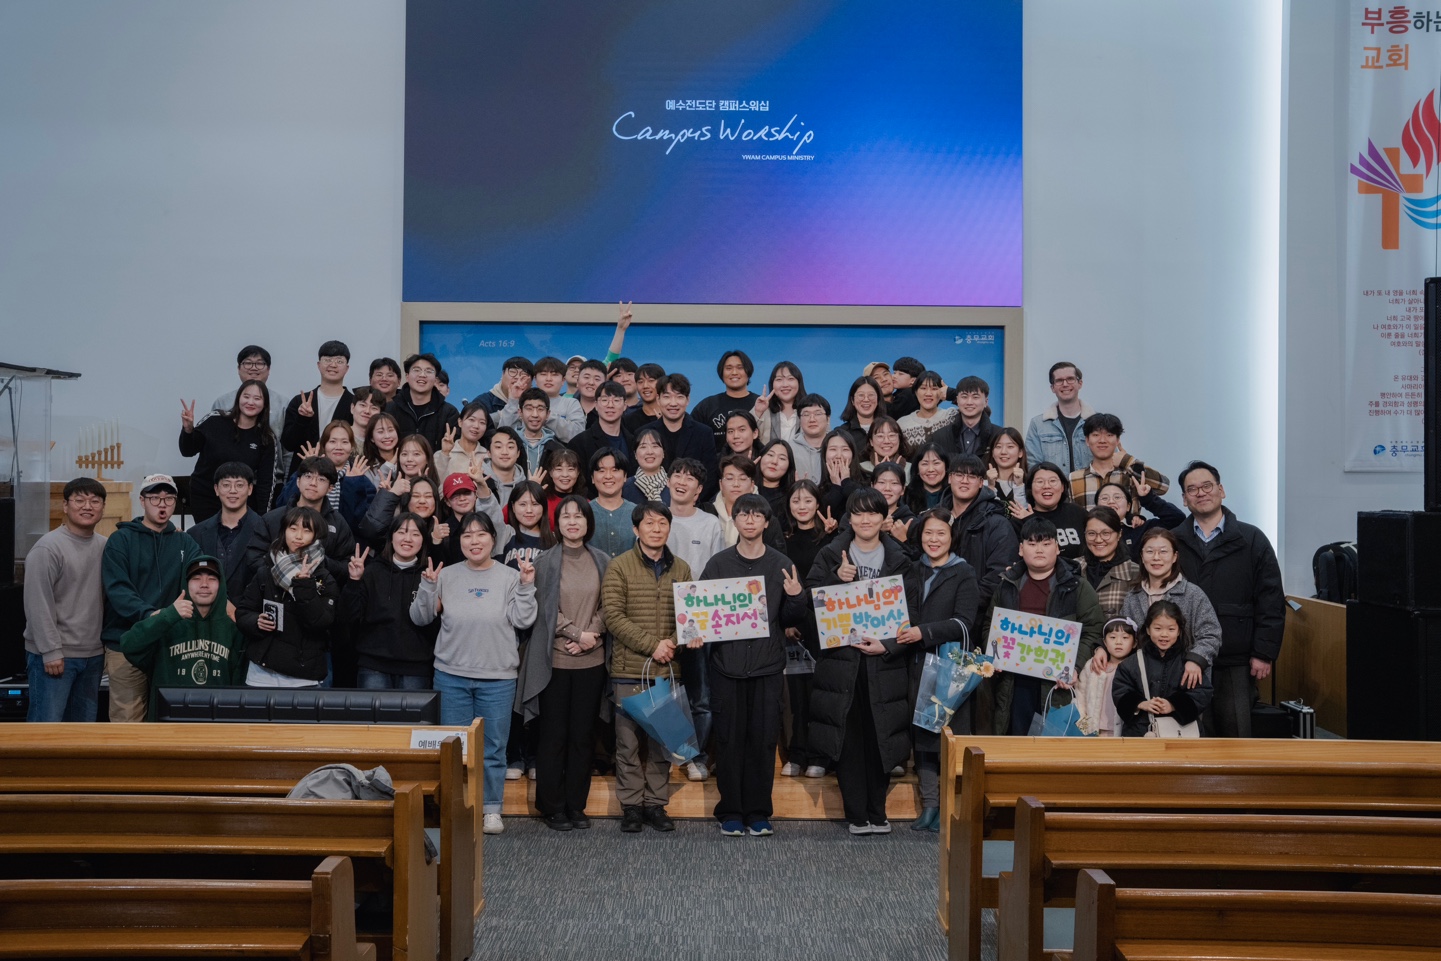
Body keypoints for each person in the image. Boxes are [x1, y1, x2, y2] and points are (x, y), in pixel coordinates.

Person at [411, 511, 537, 835]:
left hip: (498, 678)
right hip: (451, 676)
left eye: (481, 534)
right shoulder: (447, 575)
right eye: (467, 535)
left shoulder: (510, 576)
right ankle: (456, 808)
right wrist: (427, 586)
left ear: (493, 540)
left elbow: (523, 620)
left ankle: (491, 808)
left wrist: (526, 586)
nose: (474, 541)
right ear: (460, 542)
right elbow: (421, 617)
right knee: (453, 749)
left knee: (493, 748)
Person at [805, 487, 916, 835]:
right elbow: (808, 604)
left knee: (881, 735)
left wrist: (888, 646)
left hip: (883, 662)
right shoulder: (830, 553)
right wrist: (833, 580)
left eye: (873, 513)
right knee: (849, 738)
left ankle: (877, 811)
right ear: (849, 518)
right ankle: (856, 813)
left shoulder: (900, 558)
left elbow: (912, 612)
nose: (865, 519)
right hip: (842, 662)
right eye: (858, 513)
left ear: (884, 518)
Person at [699, 494, 804, 837]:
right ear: (735, 520)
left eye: (756, 515)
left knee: (762, 741)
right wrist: (695, 631)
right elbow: (701, 612)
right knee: (729, 740)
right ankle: (730, 811)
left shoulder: (781, 563)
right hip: (726, 666)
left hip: (766, 667)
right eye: (743, 514)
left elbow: (791, 619)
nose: (749, 520)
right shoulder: (718, 563)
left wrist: (796, 595)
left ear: (766, 522)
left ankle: (759, 812)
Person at [516, 495, 611, 831]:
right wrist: (575, 633)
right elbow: (543, 608)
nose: (572, 522)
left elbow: (610, 605)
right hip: (554, 662)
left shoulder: (603, 560)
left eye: (579, 516)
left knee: (583, 736)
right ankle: (552, 805)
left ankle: (576, 805)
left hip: (592, 661)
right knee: (553, 735)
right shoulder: (544, 561)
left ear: (588, 522)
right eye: (566, 516)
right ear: (557, 523)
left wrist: (591, 634)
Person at [1171, 460, 1286, 738]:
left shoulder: (1252, 538)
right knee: (1189, 732)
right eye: (1192, 489)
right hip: (1184, 655)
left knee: (1235, 733)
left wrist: (1264, 653)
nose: (1201, 493)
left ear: (1221, 490)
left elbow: (1270, 599)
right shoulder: (1173, 541)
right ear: (1184, 499)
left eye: (1207, 486)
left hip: (1235, 656)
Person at [602, 502, 693, 833]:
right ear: (636, 529)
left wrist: (673, 643)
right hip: (629, 669)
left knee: (661, 744)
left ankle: (655, 805)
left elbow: (690, 617)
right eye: (649, 523)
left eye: (662, 523)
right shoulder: (619, 566)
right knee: (627, 745)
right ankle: (631, 807)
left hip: (667, 671)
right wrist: (652, 645)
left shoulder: (681, 568)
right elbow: (613, 616)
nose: (656, 529)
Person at [980, 516, 1104, 736]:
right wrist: (995, 656)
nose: (1039, 550)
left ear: (1057, 548)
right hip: (1014, 682)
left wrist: (1074, 667)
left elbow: (1093, 628)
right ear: (1021, 549)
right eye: (1032, 543)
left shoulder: (1076, 586)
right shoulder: (1007, 585)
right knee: (1016, 741)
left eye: (1046, 544)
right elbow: (990, 624)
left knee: (1052, 746)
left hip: (1057, 684)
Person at [900, 508, 979, 831]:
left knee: (947, 739)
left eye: (941, 533)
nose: (934, 539)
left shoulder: (964, 572)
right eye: (928, 533)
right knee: (922, 738)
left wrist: (924, 632)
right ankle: (929, 805)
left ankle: (947, 807)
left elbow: (964, 622)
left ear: (952, 537)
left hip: (948, 667)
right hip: (915, 664)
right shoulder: (911, 569)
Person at [101, 474, 202, 722]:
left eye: (168, 498)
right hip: (126, 643)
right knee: (128, 720)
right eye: (155, 498)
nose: (162, 504)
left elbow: (201, 580)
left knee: (172, 718)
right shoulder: (121, 540)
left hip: (170, 644)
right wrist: (150, 614)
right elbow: (118, 590)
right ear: (142, 501)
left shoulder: (185, 541)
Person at [23, 477, 108, 722]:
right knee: (46, 729)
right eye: (79, 500)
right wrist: (51, 651)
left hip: (93, 656)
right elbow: (38, 603)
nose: (87, 506)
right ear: (65, 505)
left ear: (103, 507)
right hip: (55, 656)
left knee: (81, 732)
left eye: (95, 501)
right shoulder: (47, 548)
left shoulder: (105, 546)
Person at [118, 555, 244, 717]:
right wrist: (168, 616)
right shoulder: (167, 621)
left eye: (212, 579)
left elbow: (239, 685)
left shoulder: (232, 627)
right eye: (196, 578)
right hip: (168, 721)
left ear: (221, 585)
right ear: (185, 584)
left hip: (216, 721)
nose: (204, 584)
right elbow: (129, 646)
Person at [666, 458, 724, 782]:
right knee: (665, 691)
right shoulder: (656, 517)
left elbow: (716, 574)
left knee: (700, 695)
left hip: (698, 619)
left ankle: (695, 757)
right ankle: (666, 753)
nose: (682, 481)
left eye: (689, 478)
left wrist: (701, 621)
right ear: (668, 481)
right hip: (660, 615)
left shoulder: (710, 523)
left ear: (699, 489)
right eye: (677, 475)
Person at [236, 506, 338, 688]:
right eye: (293, 528)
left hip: (303, 676)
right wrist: (256, 621)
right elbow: (243, 612)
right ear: (284, 531)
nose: (298, 536)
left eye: (307, 530)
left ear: (316, 536)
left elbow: (320, 623)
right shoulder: (266, 570)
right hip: (261, 672)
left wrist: (304, 585)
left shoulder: (324, 578)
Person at [342, 512, 438, 689]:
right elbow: (350, 617)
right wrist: (354, 581)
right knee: (372, 708)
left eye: (415, 534)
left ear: (423, 540)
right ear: (391, 537)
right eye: (401, 532)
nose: (407, 539)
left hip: (416, 667)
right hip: (373, 665)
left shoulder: (430, 576)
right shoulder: (372, 571)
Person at [779, 479, 836, 779]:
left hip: (826, 627)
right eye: (796, 501)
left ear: (818, 504)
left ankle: (820, 756)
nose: (802, 506)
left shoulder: (831, 539)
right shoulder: (781, 539)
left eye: (808, 501)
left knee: (822, 695)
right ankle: (797, 754)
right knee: (796, 698)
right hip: (793, 626)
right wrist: (788, 622)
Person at [1117, 528, 1222, 687]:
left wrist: (1196, 659)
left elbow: (1211, 634)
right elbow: (1123, 634)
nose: (1156, 557)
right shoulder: (1132, 597)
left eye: (1163, 551)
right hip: (1143, 684)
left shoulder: (1192, 594)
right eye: (1150, 551)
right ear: (1142, 556)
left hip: (1184, 683)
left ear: (1174, 557)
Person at [246, 457, 356, 585]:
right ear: (298, 481)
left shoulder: (338, 523)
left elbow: (347, 565)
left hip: (320, 591)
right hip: (274, 590)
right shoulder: (273, 518)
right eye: (308, 476)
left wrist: (321, 563)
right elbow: (254, 557)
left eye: (321, 479)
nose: (313, 483)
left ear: (330, 488)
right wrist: (285, 572)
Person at [1112, 600, 1213, 737]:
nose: (1164, 634)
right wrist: (1141, 704)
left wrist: (1173, 704)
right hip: (1140, 732)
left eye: (1171, 629)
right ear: (1148, 629)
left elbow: (1203, 693)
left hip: (1180, 734)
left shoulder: (1189, 665)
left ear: (1179, 631)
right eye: (1158, 628)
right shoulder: (1131, 663)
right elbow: (1120, 691)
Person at [180, 380, 276, 521]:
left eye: (257, 398)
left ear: (265, 404)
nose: (250, 402)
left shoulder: (266, 438)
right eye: (246, 396)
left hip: (240, 502)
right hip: (205, 497)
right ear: (238, 398)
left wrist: (263, 519)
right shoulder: (214, 420)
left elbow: (266, 483)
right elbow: (187, 451)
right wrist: (188, 429)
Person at [944, 455, 1019, 612]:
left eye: (972, 476)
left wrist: (963, 604)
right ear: (950, 478)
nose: (965, 481)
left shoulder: (997, 524)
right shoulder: (934, 519)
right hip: (936, 612)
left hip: (978, 613)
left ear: (980, 483)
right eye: (959, 474)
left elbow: (998, 574)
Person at [278, 420, 375, 534]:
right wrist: (306, 469)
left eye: (344, 442)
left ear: (352, 446)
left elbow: (361, 523)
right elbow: (283, 505)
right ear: (324, 445)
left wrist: (353, 483)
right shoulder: (306, 473)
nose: (338, 447)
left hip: (341, 539)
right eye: (332, 441)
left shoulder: (360, 478)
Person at [189, 462, 268, 599]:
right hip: (207, 610)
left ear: (250, 489)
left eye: (239, 485)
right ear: (216, 489)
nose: (233, 491)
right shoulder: (195, 533)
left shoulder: (266, 530)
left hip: (252, 609)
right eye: (226, 485)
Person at [1066, 413, 1171, 511]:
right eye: (1096, 435)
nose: (1102, 440)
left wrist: (1127, 461)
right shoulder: (1074, 479)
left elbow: (1164, 486)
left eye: (1109, 435)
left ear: (1117, 440)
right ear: (1087, 440)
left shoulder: (1130, 472)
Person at [281, 340, 355, 477]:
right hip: (303, 473)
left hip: (342, 474)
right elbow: (288, 444)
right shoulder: (300, 401)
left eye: (339, 361)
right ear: (318, 365)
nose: (333, 365)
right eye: (327, 360)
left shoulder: (354, 404)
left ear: (347, 368)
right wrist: (303, 419)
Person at [653, 374, 719, 500]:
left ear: (687, 400)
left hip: (694, 504)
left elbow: (710, 475)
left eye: (679, 397)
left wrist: (691, 501)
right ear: (658, 399)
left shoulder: (703, 433)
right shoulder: (646, 433)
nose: (673, 403)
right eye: (667, 397)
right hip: (653, 503)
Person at [1024, 361, 1094, 474]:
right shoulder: (1038, 424)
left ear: (1080, 383)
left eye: (1070, 379)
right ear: (1052, 387)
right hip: (1052, 485)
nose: (1065, 384)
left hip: (1089, 485)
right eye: (1059, 380)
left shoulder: (1097, 423)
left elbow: (1109, 459)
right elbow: (1033, 466)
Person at [1073, 616, 1138, 737]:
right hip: (1094, 731)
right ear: (1104, 642)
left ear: (1134, 643)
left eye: (1125, 637)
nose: (1118, 642)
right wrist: (1083, 727)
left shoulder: (1136, 668)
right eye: (1112, 637)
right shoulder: (1093, 665)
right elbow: (1080, 697)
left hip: (1124, 732)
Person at [497, 356, 585, 441]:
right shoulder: (522, 403)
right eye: (543, 374)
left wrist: (547, 416)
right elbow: (504, 434)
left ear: (563, 380)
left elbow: (578, 435)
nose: (548, 379)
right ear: (535, 379)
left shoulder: (571, 403)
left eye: (554, 374)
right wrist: (513, 401)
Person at [386, 352, 461, 451]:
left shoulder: (449, 413)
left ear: (435, 379)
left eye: (429, 371)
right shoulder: (390, 409)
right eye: (416, 370)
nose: (422, 375)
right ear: (407, 376)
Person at [1012, 462, 1088, 559]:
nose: (1046, 486)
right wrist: (1030, 520)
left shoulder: (1077, 512)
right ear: (1030, 488)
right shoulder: (1020, 519)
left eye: (1052, 481)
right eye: (1040, 482)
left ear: (1062, 487)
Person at [1097, 479, 1186, 560]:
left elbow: (1177, 519)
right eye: (1104, 498)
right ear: (1097, 506)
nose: (1111, 501)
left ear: (1128, 506)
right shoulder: (1091, 531)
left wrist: (1148, 499)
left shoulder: (1142, 529)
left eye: (1117, 497)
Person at [692, 350, 760, 452]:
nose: (734, 372)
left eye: (740, 368)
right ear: (722, 373)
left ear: (748, 372)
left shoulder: (760, 404)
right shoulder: (707, 406)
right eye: (728, 368)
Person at [1082, 506, 1141, 619]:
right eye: (1091, 533)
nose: (1098, 540)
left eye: (1106, 533)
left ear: (1119, 534)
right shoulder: (1073, 568)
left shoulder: (1134, 572)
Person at [567, 380, 634, 469]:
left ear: (625, 405)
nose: (610, 405)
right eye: (604, 400)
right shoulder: (579, 443)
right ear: (596, 405)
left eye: (616, 400)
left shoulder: (633, 441)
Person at [588, 449, 637, 558]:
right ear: (592, 478)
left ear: (625, 476)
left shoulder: (637, 513)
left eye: (615, 470)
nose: (608, 476)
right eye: (601, 471)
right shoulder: (584, 513)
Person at [896, 371, 957, 453]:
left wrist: (951, 393)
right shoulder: (902, 424)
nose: (928, 393)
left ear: (942, 391)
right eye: (923, 388)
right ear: (916, 392)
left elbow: (973, 405)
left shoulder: (952, 416)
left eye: (934, 389)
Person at [511, 388, 567, 473]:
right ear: (520, 412)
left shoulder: (557, 449)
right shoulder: (510, 445)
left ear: (548, 414)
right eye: (529, 408)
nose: (535, 414)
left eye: (540, 409)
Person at [435, 400, 491, 480]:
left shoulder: (488, 456)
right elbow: (435, 483)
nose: (476, 426)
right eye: (471, 420)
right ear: (460, 422)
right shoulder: (440, 455)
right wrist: (445, 454)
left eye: (482, 422)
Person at [754, 361, 805, 447]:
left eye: (790, 379)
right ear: (772, 384)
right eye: (779, 379)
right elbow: (746, 434)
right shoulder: (763, 410)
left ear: (799, 383)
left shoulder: (810, 410)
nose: (785, 385)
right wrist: (758, 413)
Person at [869, 463, 916, 546]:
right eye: (881, 482)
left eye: (894, 483)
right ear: (872, 486)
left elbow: (918, 553)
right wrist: (876, 531)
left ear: (903, 490)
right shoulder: (858, 516)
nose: (887, 488)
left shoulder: (912, 522)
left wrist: (903, 540)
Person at [986, 426, 1029, 516]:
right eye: (998, 447)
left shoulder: (1030, 483)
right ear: (992, 452)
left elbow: (1024, 516)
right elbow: (987, 514)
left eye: (1010, 446)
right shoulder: (983, 483)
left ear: (1020, 452)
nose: (1003, 452)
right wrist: (990, 487)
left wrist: (1019, 485)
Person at [952, 376, 999, 459]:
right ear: (957, 400)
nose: (969, 402)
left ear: (986, 402)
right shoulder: (941, 436)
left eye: (975, 397)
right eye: (964, 396)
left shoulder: (998, 435)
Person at [838, 376, 886, 455]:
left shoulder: (890, 428)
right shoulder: (842, 433)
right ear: (852, 400)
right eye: (861, 395)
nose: (866, 399)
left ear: (878, 399)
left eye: (871, 395)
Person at [621, 428, 669, 505]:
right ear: (635, 454)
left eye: (655, 446)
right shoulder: (624, 486)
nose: (649, 452)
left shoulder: (674, 484)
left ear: (663, 453)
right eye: (643, 447)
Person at [790, 393, 831, 483]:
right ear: (799, 420)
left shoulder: (837, 446)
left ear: (828, 419)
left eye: (818, 414)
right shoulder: (789, 448)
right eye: (806, 414)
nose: (812, 419)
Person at [483, 426, 528, 506]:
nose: (505, 452)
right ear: (489, 453)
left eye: (510, 447)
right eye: (498, 447)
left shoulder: (526, 486)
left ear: (518, 453)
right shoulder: (478, 482)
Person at [904, 443, 951, 514]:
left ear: (946, 467)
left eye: (936, 463)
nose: (930, 469)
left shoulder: (953, 495)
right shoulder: (906, 496)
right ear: (917, 469)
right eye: (925, 464)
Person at [861, 415, 911, 480]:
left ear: (899, 439)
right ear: (871, 442)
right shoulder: (861, 469)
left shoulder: (911, 469)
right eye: (880, 436)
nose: (886, 441)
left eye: (891, 435)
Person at [755, 440, 796, 518]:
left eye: (782, 458)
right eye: (770, 455)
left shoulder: (791, 497)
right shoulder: (747, 487)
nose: (774, 462)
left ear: (789, 466)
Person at [622, 362, 666, 434]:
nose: (645, 386)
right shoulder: (628, 420)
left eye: (651, 381)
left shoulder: (673, 416)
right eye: (640, 382)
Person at [362, 411, 402, 486]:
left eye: (390, 430)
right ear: (371, 438)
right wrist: (389, 464)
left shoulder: (406, 460)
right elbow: (376, 489)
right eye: (380, 432)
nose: (387, 436)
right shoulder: (366, 466)